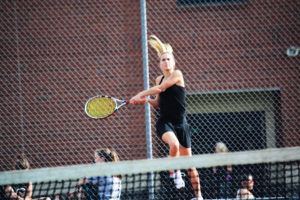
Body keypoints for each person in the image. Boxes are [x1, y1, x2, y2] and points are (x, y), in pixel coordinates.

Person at [130, 35, 203, 200]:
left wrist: (140, 94)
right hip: (165, 123)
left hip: (181, 123)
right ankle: (175, 171)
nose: (166, 62)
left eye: (169, 59)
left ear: (174, 62)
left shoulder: (177, 74)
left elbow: (161, 88)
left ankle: (198, 196)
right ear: (159, 64)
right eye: (163, 60)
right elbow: (158, 102)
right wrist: (148, 100)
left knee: (190, 167)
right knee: (174, 145)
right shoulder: (158, 78)